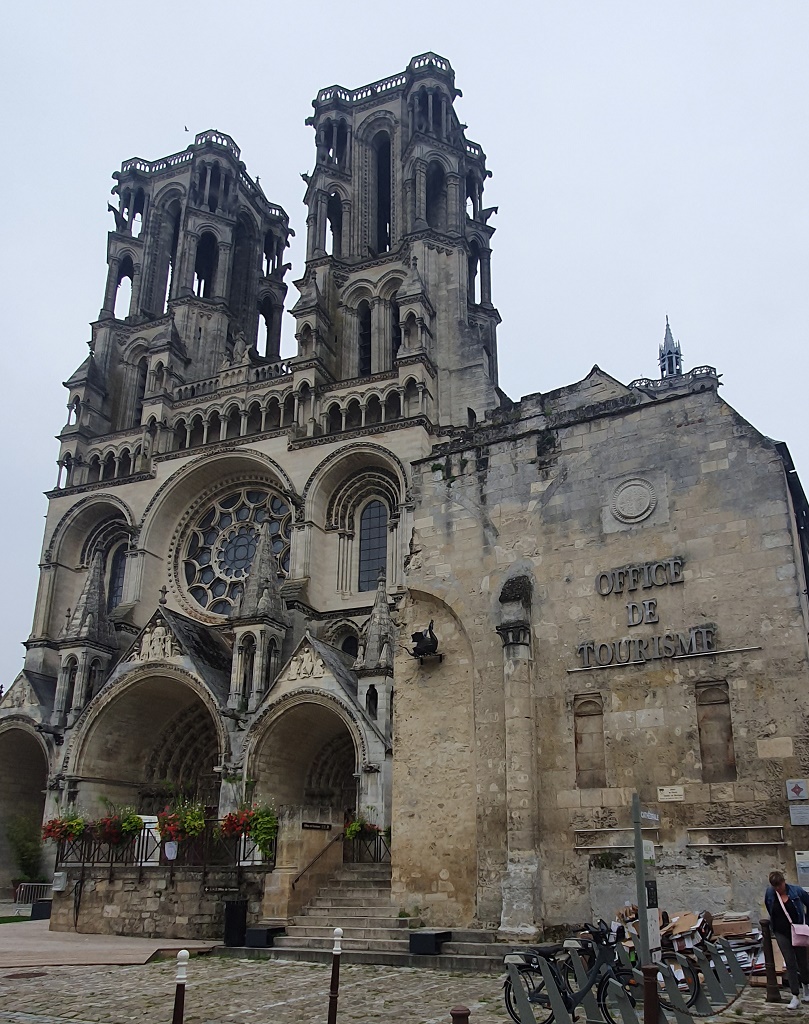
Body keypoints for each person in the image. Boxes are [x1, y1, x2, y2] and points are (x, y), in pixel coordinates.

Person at [765, 870, 809, 1009]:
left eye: (780, 885)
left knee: (802, 960)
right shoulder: (770, 894)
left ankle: (806, 987)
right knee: (789, 962)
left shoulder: (796, 891)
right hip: (781, 932)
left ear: (784, 882)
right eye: (775, 886)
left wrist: (806, 923)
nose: (778, 888)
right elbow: (769, 907)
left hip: (797, 930)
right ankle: (795, 995)